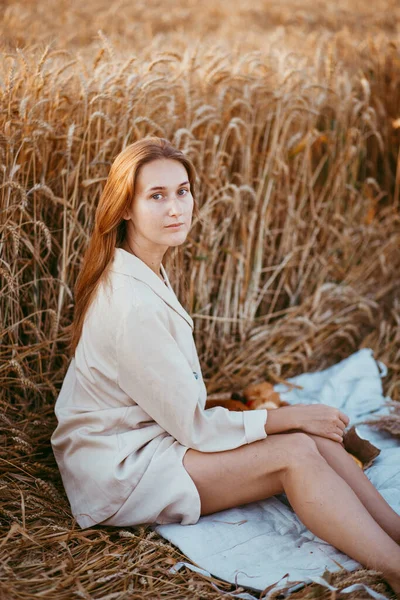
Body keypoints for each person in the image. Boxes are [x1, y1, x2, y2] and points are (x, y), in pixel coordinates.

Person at [51, 136, 400, 595]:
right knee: (294, 453)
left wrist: (296, 421)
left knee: (309, 434)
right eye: (156, 195)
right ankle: (395, 570)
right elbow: (194, 428)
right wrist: (288, 416)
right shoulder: (130, 305)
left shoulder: (142, 266)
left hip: (150, 436)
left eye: (183, 190)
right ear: (125, 208)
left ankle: (396, 537)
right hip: (119, 469)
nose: (176, 207)